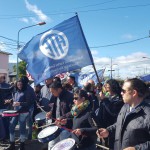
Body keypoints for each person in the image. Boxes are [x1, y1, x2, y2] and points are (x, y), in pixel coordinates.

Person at [97, 78, 150, 150]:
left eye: (123, 91)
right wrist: (108, 131)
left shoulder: (147, 113)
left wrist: (136, 149)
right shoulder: (125, 107)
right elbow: (120, 124)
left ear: (134, 93)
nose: (121, 93)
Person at [97, 79, 124, 149]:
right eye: (105, 86)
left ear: (113, 87)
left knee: (112, 145)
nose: (105, 87)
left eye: (107, 86)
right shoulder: (107, 96)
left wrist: (104, 100)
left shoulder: (119, 98)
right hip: (104, 125)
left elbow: (113, 111)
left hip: (113, 126)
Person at [46, 81, 73, 150]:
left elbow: (73, 112)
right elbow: (55, 107)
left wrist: (62, 118)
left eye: (53, 92)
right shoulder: (56, 96)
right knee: (51, 145)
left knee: (63, 147)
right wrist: (50, 112)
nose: (52, 94)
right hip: (56, 125)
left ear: (58, 89)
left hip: (66, 126)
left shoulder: (69, 96)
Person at [6, 79, 32, 150]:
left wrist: (19, 103)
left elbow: (29, 103)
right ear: (16, 85)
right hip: (16, 112)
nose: (19, 86)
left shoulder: (26, 91)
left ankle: (22, 145)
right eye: (18, 85)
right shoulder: (16, 92)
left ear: (23, 85)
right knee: (11, 126)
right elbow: (15, 100)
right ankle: (12, 144)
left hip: (23, 112)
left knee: (22, 129)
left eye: (20, 84)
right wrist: (10, 101)